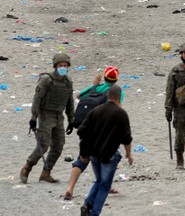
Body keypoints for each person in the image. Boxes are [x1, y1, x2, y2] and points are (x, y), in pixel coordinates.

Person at [64, 67, 120, 202]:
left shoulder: (95, 88)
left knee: (83, 158)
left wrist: (94, 85)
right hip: (103, 131)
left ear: (105, 78)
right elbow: (117, 108)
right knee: (108, 158)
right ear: (116, 79)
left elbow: (77, 96)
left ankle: (70, 188)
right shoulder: (116, 91)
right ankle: (106, 184)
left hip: (86, 129)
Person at [77, 84, 132, 216]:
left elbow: (81, 131)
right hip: (109, 155)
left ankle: (87, 204)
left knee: (99, 180)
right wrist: (128, 155)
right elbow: (127, 139)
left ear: (107, 96)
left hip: (94, 153)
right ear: (119, 97)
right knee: (104, 185)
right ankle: (94, 212)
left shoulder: (96, 110)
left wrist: (84, 152)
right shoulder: (121, 114)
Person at [20, 53, 75, 184]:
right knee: (43, 144)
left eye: (65, 65)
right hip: (46, 114)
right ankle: (27, 167)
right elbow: (37, 99)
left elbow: (70, 102)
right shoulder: (46, 80)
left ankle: (46, 172)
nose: (63, 67)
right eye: (61, 65)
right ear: (55, 66)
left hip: (59, 116)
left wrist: (71, 120)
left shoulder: (68, 82)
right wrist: (34, 117)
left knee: (58, 146)